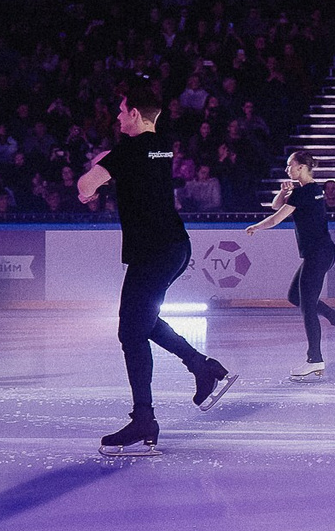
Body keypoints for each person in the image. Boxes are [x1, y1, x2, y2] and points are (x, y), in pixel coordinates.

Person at [77, 76, 234, 452]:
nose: (116, 118)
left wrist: (98, 169)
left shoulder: (126, 153)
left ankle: (145, 417)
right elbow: (129, 161)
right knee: (140, 322)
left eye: (119, 111)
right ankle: (202, 366)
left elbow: (84, 188)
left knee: (131, 330)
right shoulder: (162, 146)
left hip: (152, 252)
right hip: (175, 247)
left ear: (133, 113)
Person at [246, 150, 335, 379]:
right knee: (295, 296)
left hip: (318, 254)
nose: (287, 169)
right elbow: (275, 205)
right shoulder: (313, 190)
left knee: (307, 306)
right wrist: (283, 193)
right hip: (321, 253)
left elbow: (276, 217)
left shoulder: (304, 193)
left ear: (301, 167)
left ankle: (315, 360)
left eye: (290, 165)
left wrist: (256, 227)